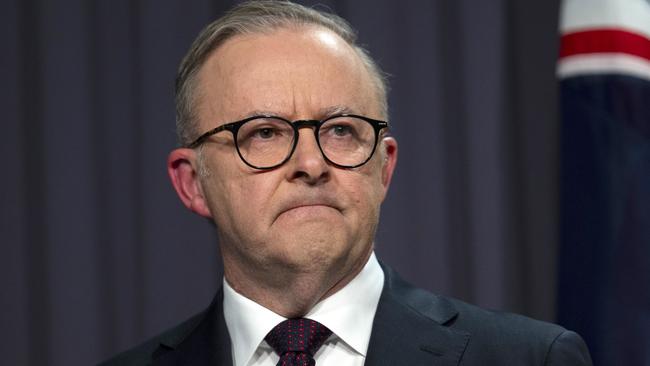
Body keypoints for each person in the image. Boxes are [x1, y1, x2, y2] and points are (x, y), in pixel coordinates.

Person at [101, 1, 592, 365]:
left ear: (384, 167)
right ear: (193, 185)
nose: (311, 163)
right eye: (265, 133)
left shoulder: (532, 359)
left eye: (341, 130)